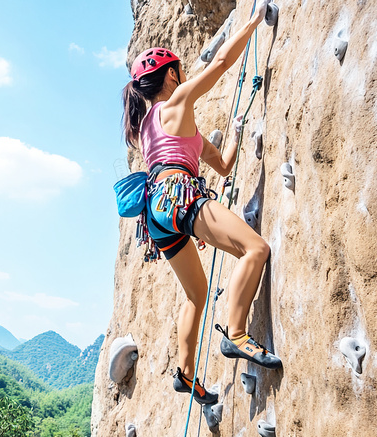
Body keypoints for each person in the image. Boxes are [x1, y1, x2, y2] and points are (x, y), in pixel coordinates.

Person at [120, 0, 280, 405]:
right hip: (179, 195)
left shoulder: (152, 128)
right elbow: (222, 63)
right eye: (180, 70)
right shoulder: (173, 104)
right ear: (171, 74)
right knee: (255, 249)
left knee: (196, 293)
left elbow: (223, 166)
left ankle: (186, 374)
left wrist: (238, 130)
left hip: (156, 214)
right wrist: (253, 22)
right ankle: (238, 334)